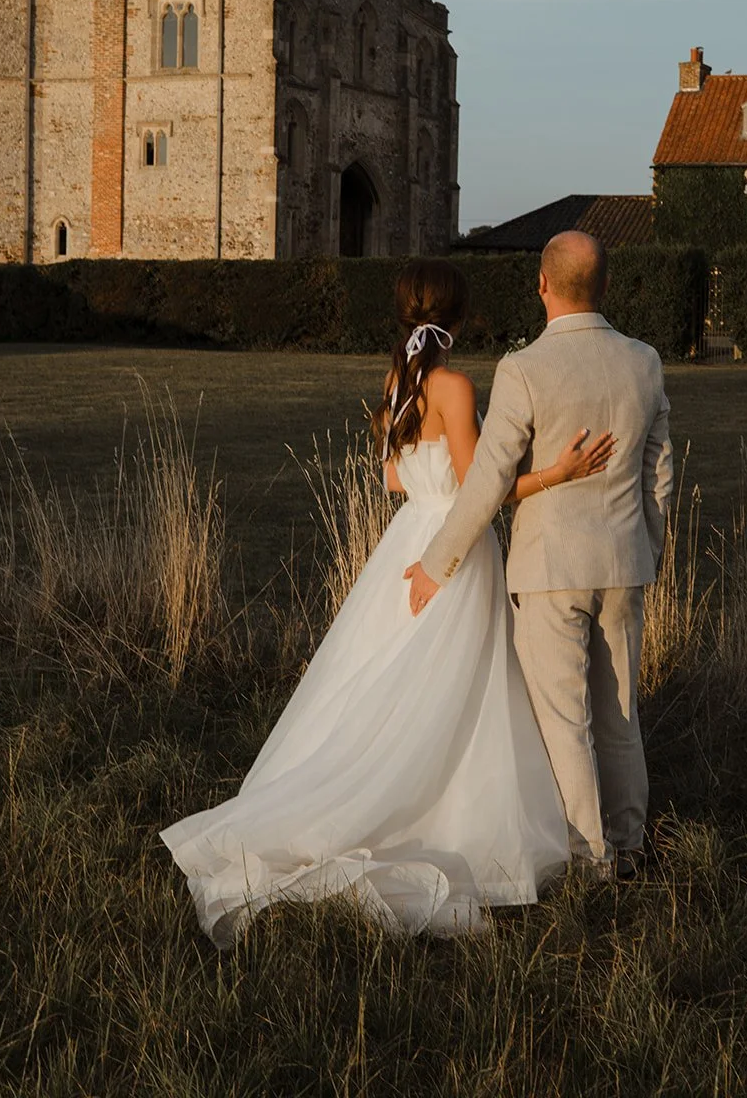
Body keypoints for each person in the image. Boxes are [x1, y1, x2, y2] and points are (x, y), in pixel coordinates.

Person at [160, 258, 614, 945]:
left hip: (408, 539)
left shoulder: (399, 380)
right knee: (456, 686)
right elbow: (478, 493)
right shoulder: (455, 385)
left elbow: (393, 480)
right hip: (451, 547)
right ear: (459, 315)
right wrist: (556, 473)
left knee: (391, 680)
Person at [407, 231, 673, 878]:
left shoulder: (522, 369)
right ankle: (629, 841)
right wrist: (649, 551)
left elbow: (489, 479)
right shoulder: (643, 361)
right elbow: (659, 472)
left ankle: (590, 860)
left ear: (541, 285)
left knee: (563, 719)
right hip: (623, 562)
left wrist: (436, 563)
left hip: (550, 568)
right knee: (618, 712)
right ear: (604, 286)